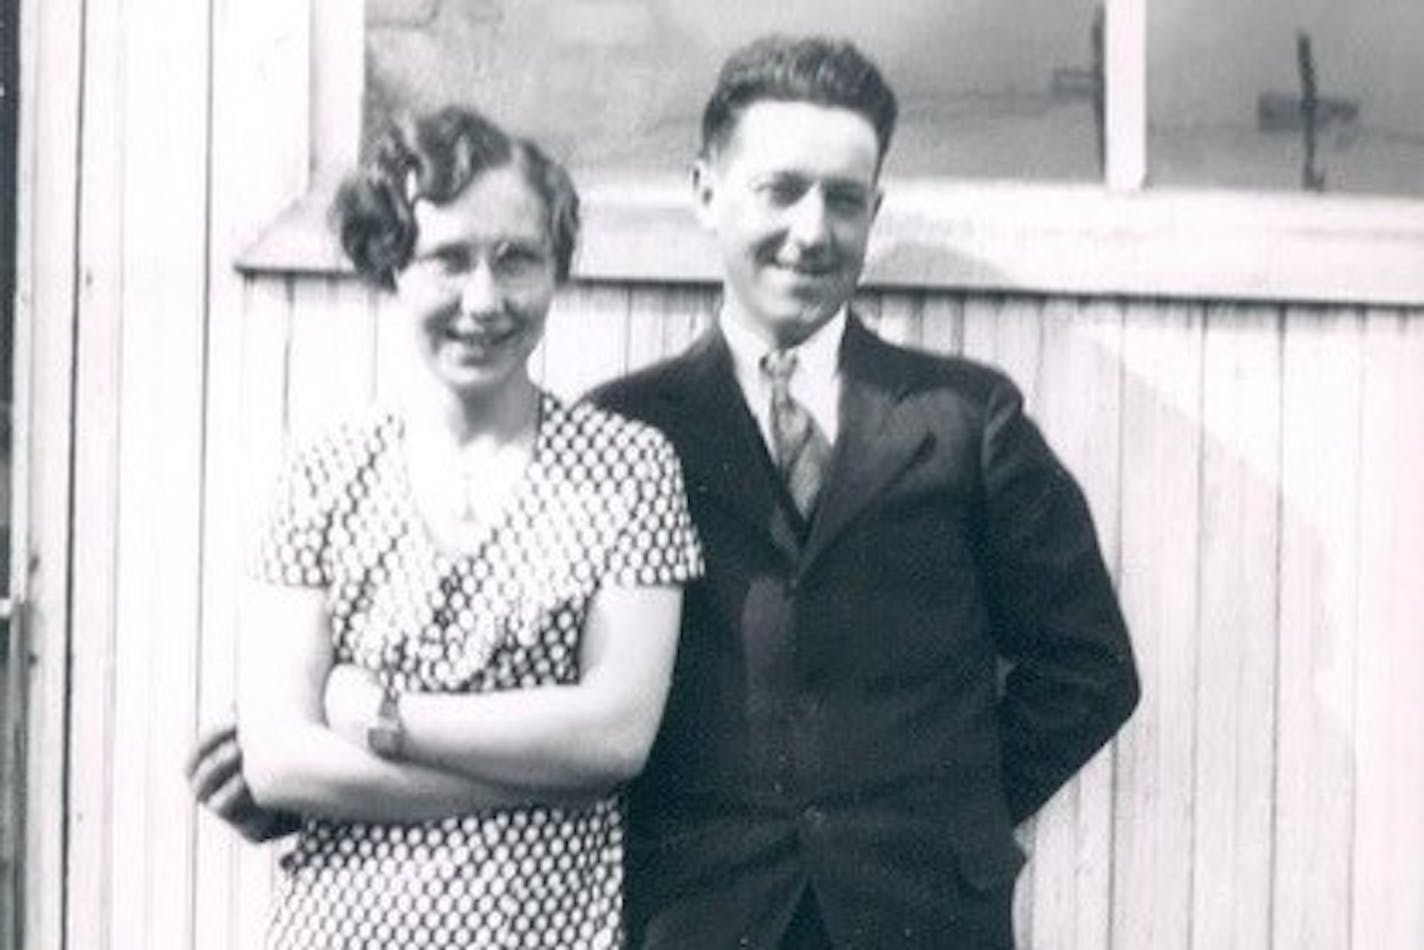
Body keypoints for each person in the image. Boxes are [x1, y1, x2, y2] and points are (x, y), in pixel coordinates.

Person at [586, 36, 1140, 948]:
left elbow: (1090, 667)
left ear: (874, 212)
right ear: (705, 192)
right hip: (701, 914)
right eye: (781, 189)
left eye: (844, 200)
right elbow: (543, 656)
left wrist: (953, 809)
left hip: (921, 914)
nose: (812, 230)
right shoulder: (626, 429)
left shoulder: (966, 418)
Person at [187, 106, 702, 950]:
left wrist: (382, 714)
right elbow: (280, 761)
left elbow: (614, 736)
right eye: (448, 260)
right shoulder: (321, 475)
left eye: (517, 260)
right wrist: (546, 772)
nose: (484, 300)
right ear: (392, 264)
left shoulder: (627, 469)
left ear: (557, 271)